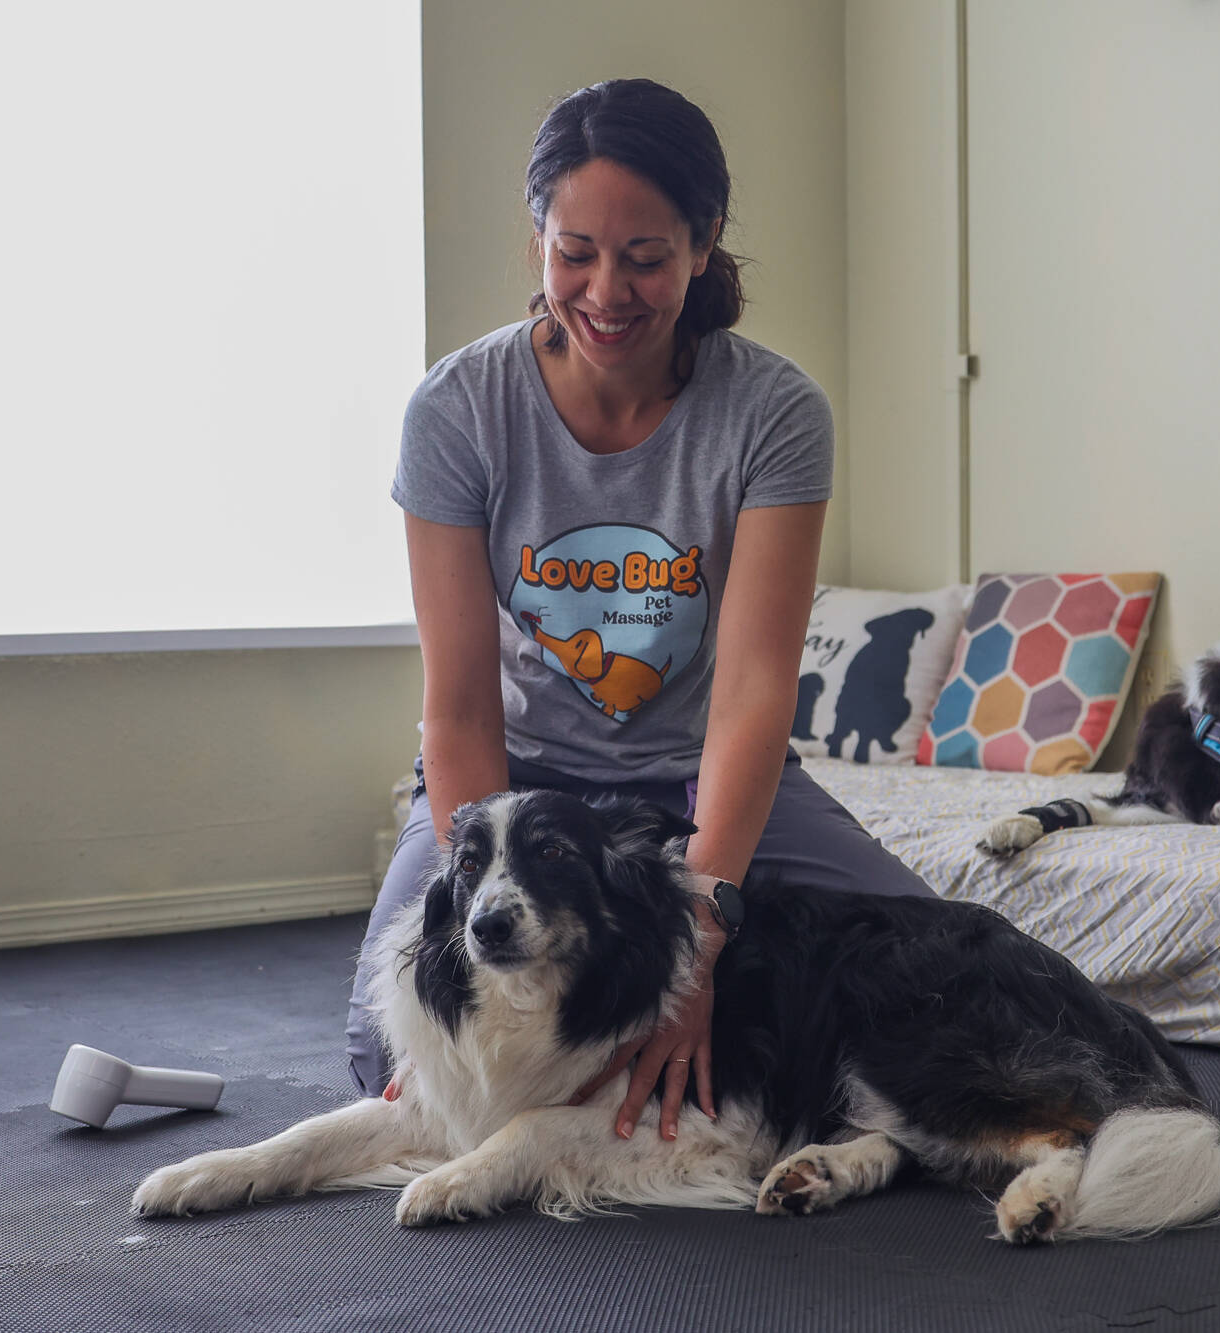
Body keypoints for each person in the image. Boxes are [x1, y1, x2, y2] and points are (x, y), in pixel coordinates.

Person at [346, 77, 934, 1142]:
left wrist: (697, 940)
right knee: (382, 1051)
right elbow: (462, 709)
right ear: (536, 242)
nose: (605, 290)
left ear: (703, 243)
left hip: (694, 768)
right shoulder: (456, 410)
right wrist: (471, 897)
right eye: (575, 251)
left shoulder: (773, 413)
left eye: (645, 256)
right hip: (520, 783)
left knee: (930, 966)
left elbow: (753, 693)